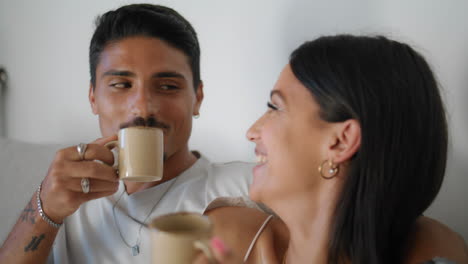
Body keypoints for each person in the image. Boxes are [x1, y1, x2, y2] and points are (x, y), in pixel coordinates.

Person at [0, 4, 254, 263]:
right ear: (93, 98)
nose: (143, 108)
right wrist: (46, 208)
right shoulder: (67, 195)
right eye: (121, 85)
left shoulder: (246, 189)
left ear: (197, 98)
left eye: (167, 86)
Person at [195, 35, 468, 263]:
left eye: (275, 108)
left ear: (341, 141)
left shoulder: (434, 248)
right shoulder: (222, 240)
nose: (252, 132)